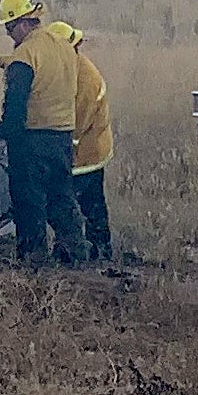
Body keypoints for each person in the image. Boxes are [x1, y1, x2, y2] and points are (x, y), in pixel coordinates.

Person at [0, 0, 89, 267]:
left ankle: (33, 261)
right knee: (62, 197)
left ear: (24, 22)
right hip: (62, 136)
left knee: (29, 201)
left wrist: (4, 134)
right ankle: (74, 255)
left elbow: (16, 103)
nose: (9, 34)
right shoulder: (62, 46)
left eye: (10, 27)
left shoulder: (25, 54)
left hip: (31, 139)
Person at [51, 19, 114, 261]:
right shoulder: (68, 68)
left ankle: (92, 251)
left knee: (85, 203)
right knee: (86, 202)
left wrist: (62, 153)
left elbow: (76, 125)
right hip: (80, 151)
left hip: (87, 154)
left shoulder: (85, 79)